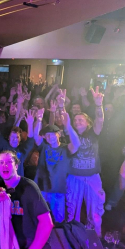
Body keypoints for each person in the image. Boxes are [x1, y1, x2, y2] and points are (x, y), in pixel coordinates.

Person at [66, 87, 106, 237]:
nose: (77, 122)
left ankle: (94, 237)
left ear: (88, 122)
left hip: (92, 177)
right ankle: (72, 234)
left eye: (80, 119)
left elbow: (100, 120)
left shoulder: (93, 133)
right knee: (71, 209)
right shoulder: (70, 134)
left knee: (95, 209)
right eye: (75, 120)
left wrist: (98, 105)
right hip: (74, 176)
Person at [33, 107, 80, 223]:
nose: (50, 137)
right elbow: (36, 137)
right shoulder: (44, 146)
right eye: (47, 135)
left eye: (53, 134)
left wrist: (68, 125)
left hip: (58, 190)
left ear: (59, 134)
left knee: (58, 220)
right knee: (41, 218)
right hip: (42, 188)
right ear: (45, 137)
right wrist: (38, 120)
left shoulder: (65, 148)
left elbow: (76, 144)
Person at [0, 101, 35, 177]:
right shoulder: (4, 146)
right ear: (8, 138)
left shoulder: (22, 150)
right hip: (3, 180)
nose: (14, 139)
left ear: (20, 139)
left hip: (18, 181)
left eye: (17, 137)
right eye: (12, 137)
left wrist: (30, 124)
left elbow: (30, 140)